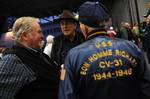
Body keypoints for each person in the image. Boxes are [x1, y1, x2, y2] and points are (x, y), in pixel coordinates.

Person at [58, 1, 150, 99]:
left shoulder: (73, 56)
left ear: (83, 27)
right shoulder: (131, 47)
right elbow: (146, 87)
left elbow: (66, 95)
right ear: (106, 22)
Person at [0, 16, 59, 99]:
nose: (42, 36)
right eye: (39, 32)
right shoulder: (13, 59)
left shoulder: (38, 54)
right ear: (25, 36)